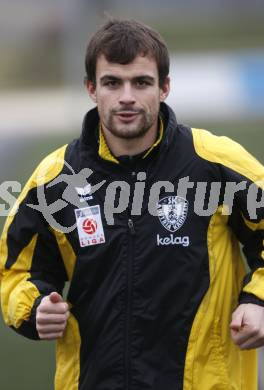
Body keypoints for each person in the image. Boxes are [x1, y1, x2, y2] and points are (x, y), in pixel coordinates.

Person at [0, 18, 264, 390]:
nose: (127, 96)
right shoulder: (56, 180)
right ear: (92, 88)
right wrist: (35, 307)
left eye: (141, 82)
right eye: (112, 82)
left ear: (164, 88)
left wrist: (258, 300)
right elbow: (17, 272)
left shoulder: (214, 163)